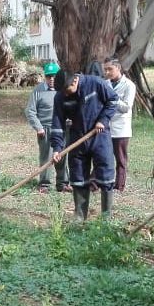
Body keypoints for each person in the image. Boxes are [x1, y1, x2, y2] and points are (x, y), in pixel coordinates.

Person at [49, 69, 117, 220]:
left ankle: (106, 217)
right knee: (78, 177)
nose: (65, 94)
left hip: (99, 136)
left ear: (75, 81)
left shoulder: (96, 83)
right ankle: (80, 217)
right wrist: (57, 148)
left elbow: (113, 100)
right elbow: (57, 122)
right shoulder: (61, 96)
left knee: (106, 176)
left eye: (67, 90)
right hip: (77, 137)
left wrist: (103, 120)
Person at [24, 62, 69, 193]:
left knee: (62, 155)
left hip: (61, 128)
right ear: (45, 77)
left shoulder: (64, 89)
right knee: (47, 157)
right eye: (49, 76)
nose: (52, 79)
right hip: (46, 129)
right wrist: (38, 127)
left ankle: (63, 183)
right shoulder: (38, 90)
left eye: (54, 76)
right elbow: (30, 111)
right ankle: (44, 184)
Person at [102, 57, 136, 191]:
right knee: (103, 156)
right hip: (105, 125)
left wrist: (112, 97)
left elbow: (126, 107)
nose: (107, 72)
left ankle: (119, 185)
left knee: (120, 159)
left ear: (118, 68)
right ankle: (97, 182)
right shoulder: (104, 84)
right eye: (105, 70)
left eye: (110, 69)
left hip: (121, 127)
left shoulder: (129, 85)